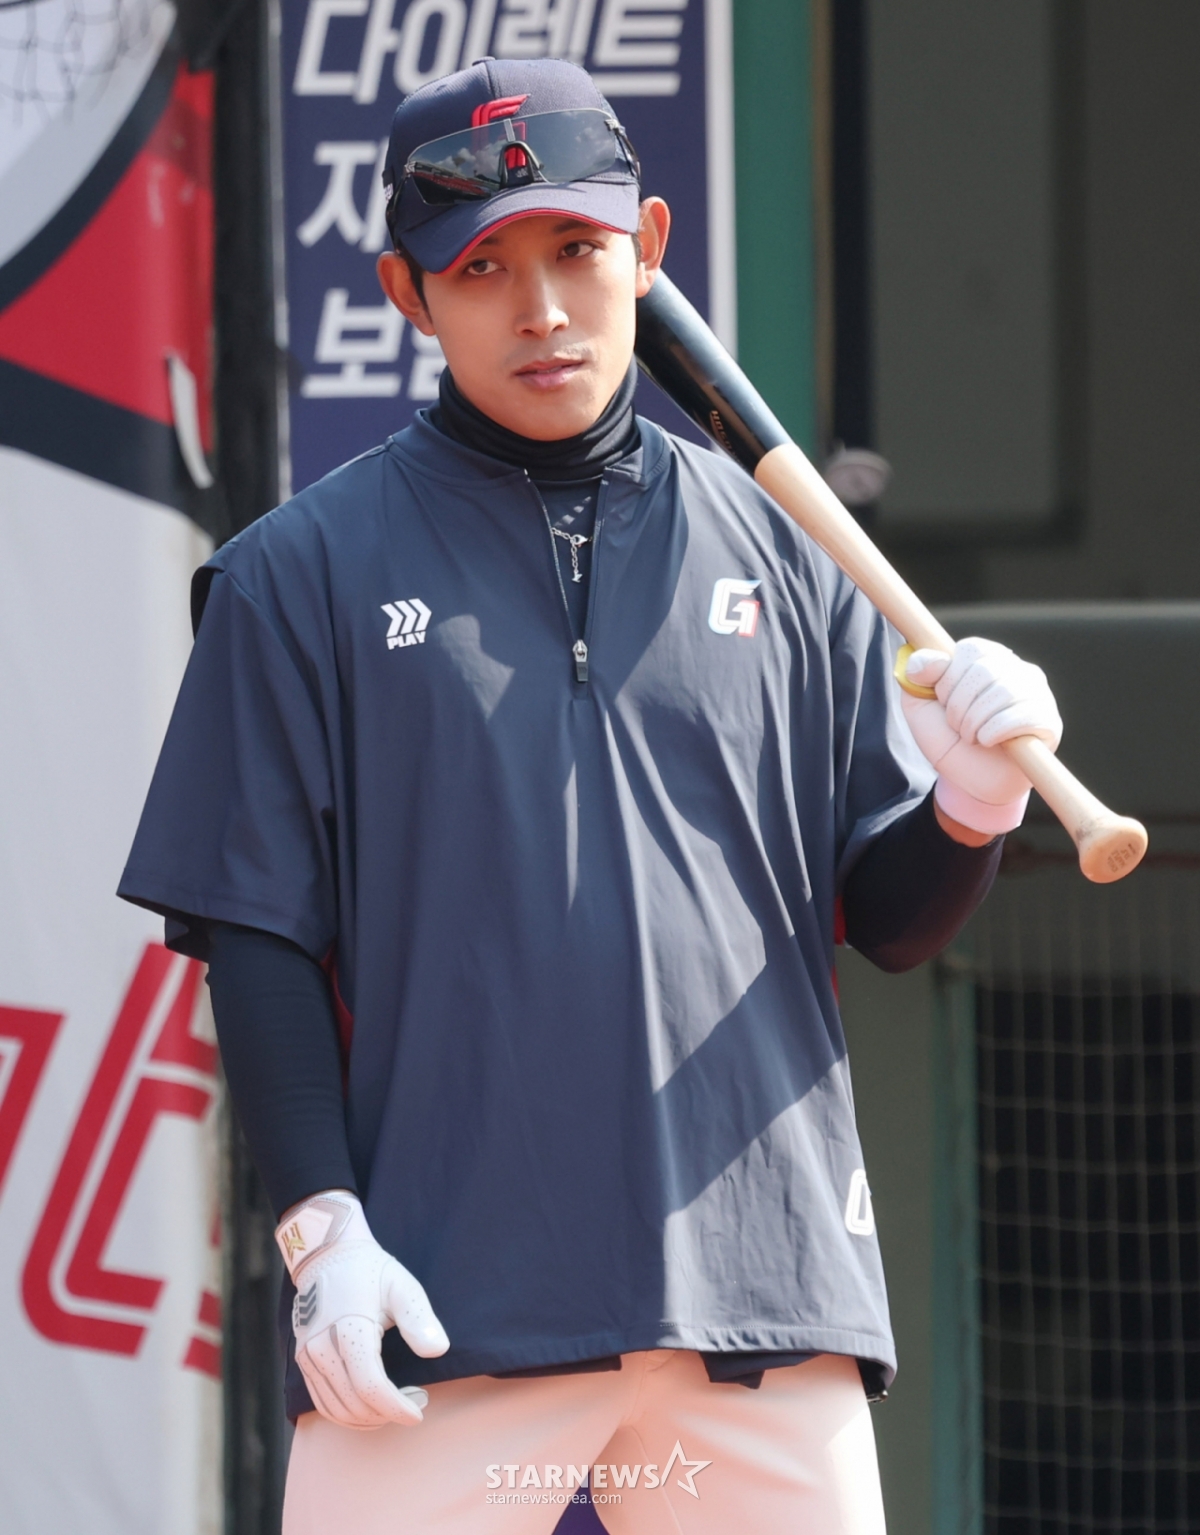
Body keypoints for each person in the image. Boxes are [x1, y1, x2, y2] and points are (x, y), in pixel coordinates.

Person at [119, 56, 1063, 1535]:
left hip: (761, 1302)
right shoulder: (295, 574)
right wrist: (324, 1234)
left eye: (577, 250)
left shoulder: (790, 548)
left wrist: (971, 812)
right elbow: (256, 935)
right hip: (436, 1305)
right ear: (407, 293)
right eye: (482, 267)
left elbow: (886, 921)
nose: (543, 308)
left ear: (651, 248)